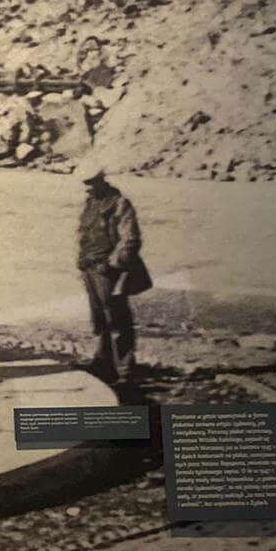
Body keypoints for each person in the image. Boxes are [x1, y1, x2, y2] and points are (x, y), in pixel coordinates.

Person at [76, 162, 151, 385]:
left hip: (109, 271)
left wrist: (112, 264)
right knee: (100, 318)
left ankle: (125, 370)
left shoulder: (119, 203)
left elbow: (130, 240)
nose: (87, 188)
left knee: (117, 318)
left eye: (90, 183)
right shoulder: (91, 203)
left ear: (101, 181)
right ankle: (103, 363)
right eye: (85, 184)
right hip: (91, 268)